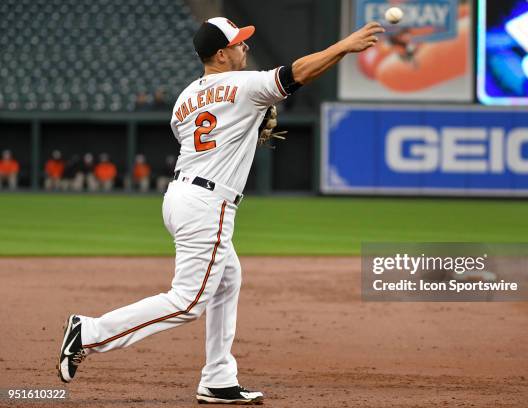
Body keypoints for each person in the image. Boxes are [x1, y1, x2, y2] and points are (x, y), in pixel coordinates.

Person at [57, 16, 384, 404]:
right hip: (207, 204)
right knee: (188, 301)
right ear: (220, 54)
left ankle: (218, 378)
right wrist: (344, 46)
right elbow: (297, 73)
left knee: (228, 279)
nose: (245, 47)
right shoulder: (247, 85)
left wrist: (244, 128)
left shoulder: (183, 100)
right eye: (238, 43)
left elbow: (202, 135)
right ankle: (90, 333)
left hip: (180, 197)